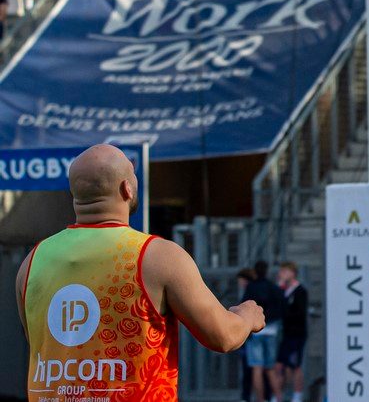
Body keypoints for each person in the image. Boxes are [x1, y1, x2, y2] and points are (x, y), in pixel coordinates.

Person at [16, 145, 265, 397]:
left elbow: (42, 344)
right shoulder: (157, 257)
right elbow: (222, 336)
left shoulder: (32, 262)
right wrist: (247, 316)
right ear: (127, 188)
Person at [242, 261, 286, 402]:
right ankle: (278, 398)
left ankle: (260, 399)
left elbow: (244, 306)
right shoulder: (273, 288)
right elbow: (282, 307)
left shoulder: (251, 287)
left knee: (256, 368)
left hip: (256, 332)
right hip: (271, 330)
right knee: (270, 368)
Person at [275, 262, 309, 402]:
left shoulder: (300, 291)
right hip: (286, 334)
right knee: (280, 365)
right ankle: (278, 396)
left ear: (293, 273)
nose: (281, 274)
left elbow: (299, 312)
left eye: (285, 271)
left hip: (297, 334)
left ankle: (297, 395)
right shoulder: (283, 291)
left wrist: (286, 313)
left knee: (295, 366)